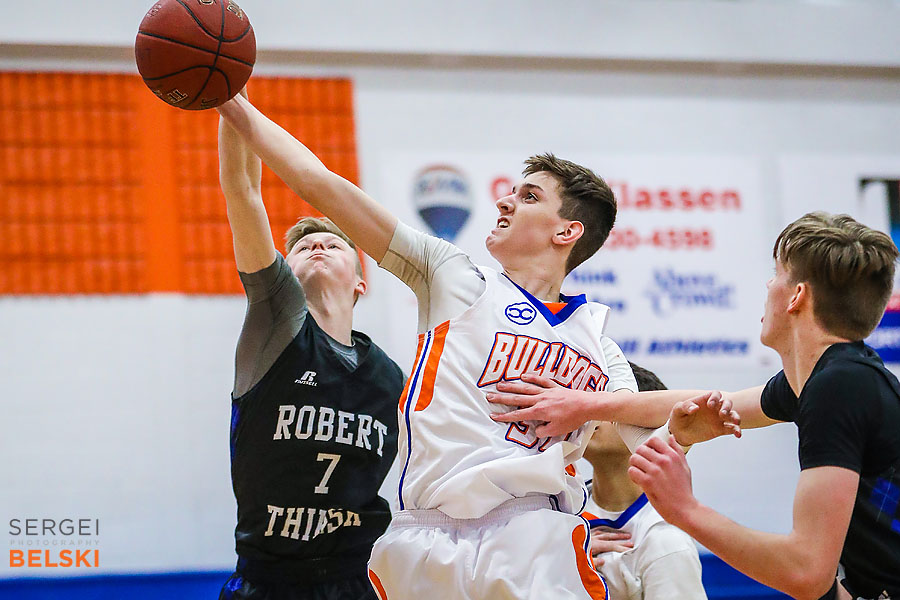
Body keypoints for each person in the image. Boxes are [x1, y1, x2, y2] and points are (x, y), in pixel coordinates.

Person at [215, 93, 738, 600]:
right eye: (513, 190)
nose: (505, 199)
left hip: (532, 534)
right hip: (426, 537)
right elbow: (318, 183)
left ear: (567, 231)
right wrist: (230, 100)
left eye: (529, 196)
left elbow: (641, 434)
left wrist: (675, 426)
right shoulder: (452, 277)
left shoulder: (596, 340)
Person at [494, 212, 900, 600]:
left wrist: (684, 509)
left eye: (777, 276)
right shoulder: (829, 379)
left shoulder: (839, 386)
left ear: (796, 296)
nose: (768, 286)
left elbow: (806, 573)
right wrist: (586, 403)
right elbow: (699, 401)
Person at [216, 90, 405, 600]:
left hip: (359, 580)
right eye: (301, 247)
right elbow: (242, 190)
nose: (317, 245)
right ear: (287, 272)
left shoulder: (391, 378)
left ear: (362, 281)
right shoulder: (277, 321)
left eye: (335, 244)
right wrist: (230, 92)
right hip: (269, 581)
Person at [582, 362, 707, 600]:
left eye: (607, 405)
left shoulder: (666, 541)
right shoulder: (561, 513)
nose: (588, 414)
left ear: (649, 426)